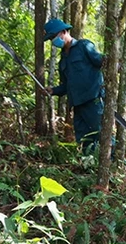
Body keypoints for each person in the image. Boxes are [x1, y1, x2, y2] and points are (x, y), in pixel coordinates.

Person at [43, 18, 104, 155]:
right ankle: (89, 166)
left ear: (64, 32)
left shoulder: (84, 46)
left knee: (100, 133)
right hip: (77, 104)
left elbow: (102, 62)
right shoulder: (63, 60)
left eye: (54, 36)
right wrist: (53, 90)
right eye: (51, 38)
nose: (53, 41)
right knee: (84, 139)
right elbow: (67, 85)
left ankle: (110, 165)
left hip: (93, 100)